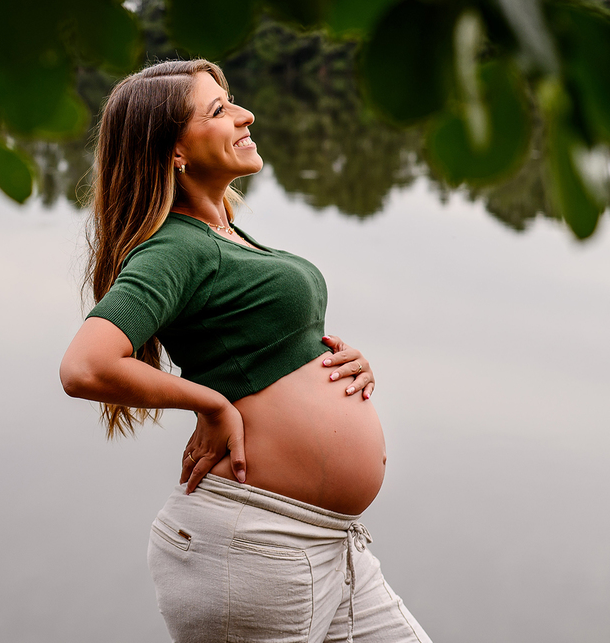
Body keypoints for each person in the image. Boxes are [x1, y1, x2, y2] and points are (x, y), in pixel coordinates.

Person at [59, 60, 431, 643]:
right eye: (218, 110)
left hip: (326, 545)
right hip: (255, 546)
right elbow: (86, 366)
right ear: (174, 150)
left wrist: (333, 359)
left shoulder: (223, 234)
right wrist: (211, 405)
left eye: (231, 101)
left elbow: (258, 346)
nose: (245, 114)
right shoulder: (174, 249)